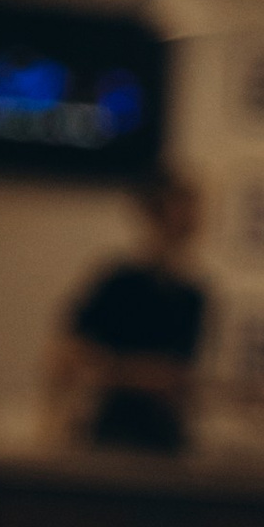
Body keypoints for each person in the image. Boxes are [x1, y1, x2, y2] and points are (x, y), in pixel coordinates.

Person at [49, 169, 209, 452]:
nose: (192, 219)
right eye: (183, 208)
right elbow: (68, 357)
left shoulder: (194, 295)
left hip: (165, 436)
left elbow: (180, 376)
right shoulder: (118, 283)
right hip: (112, 431)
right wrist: (137, 376)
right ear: (155, 214)